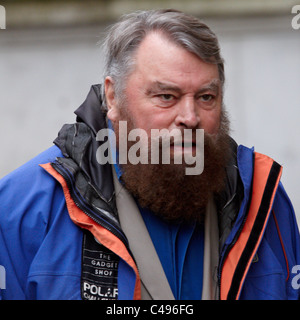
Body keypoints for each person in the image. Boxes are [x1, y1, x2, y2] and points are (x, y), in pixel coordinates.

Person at [0, 9, 299, 300]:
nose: (190, 117)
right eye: (166, 96)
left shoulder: (262, 197)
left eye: (206, 97)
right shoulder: (23, 206)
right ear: (113, 97)